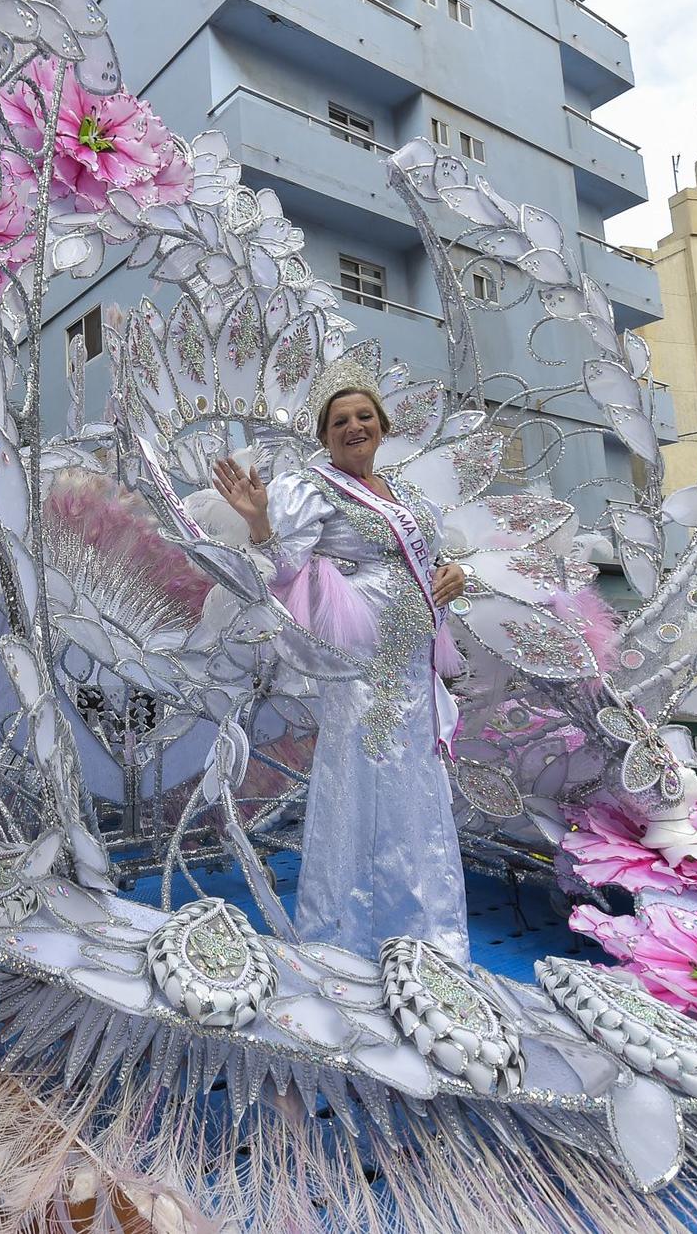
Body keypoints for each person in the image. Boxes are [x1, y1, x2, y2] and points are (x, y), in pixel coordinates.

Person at [210, 369, 470, 963]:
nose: (354, 425)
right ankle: (346, 937)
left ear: (383, 425)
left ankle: (428, 931)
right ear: (326, 437)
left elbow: (431, 559)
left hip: (412, 658)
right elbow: (282, 566)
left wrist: (455, 574)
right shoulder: (314, 488)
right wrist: (258, 521)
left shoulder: (407, 497)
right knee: (357, 776)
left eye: (363, 416)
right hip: (359, 660)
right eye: (339, 421)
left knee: (417, 784)